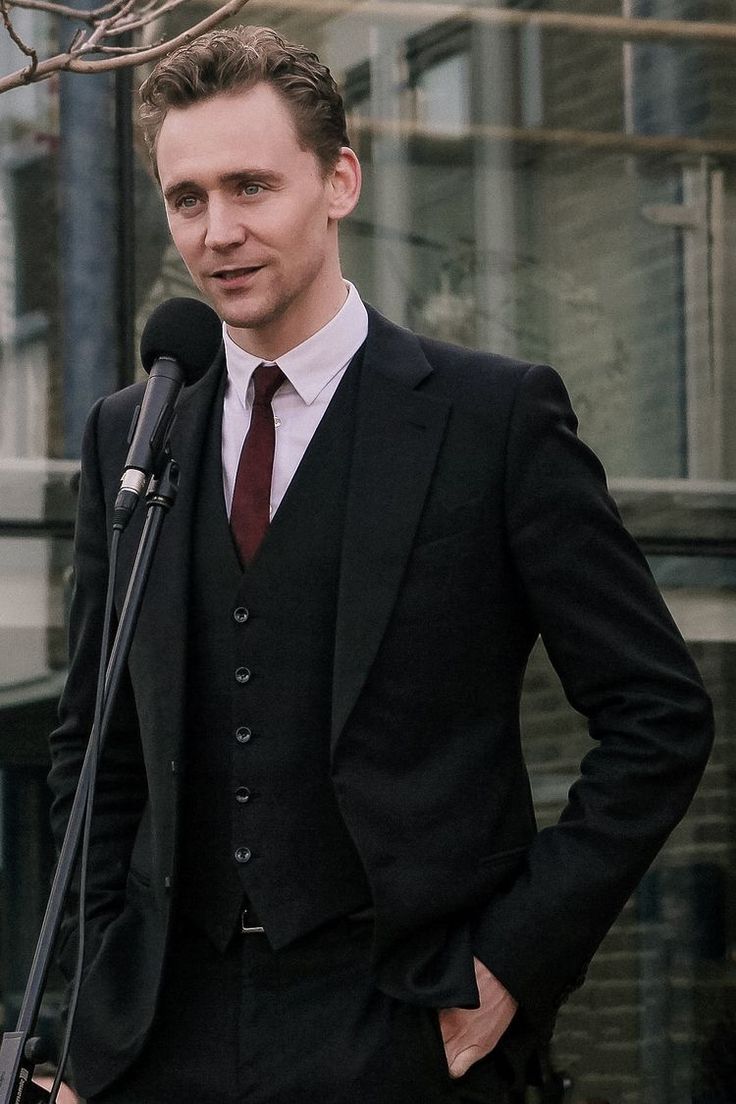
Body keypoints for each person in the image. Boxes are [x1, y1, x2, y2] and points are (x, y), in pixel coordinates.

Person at [47, 25, 714, 1104]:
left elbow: (658, 719)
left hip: (400, 1023)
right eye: (187, 199)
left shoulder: (492, 417)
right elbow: (95, 751)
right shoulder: (131, 433)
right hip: (160, 1031)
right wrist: (76, 1020)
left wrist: (508, 965)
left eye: (252, 186)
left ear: (339, 180)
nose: (218, 232)